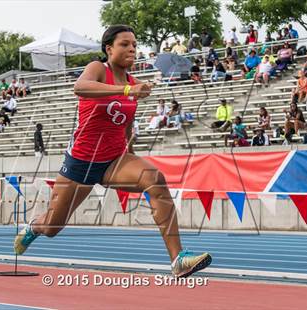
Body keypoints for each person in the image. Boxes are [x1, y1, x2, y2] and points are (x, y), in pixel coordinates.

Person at [13, 25, 212, 278]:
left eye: (134, 45)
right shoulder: (99, 69)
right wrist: (127, 90)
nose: (131, 48)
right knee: (52, 226)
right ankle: (33, 227)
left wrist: (130, 146)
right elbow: (80, 87)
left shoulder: (133, 83)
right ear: (109, 49)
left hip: (114, 160)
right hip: (81, 162)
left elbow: (126, 121)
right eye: (124, 44)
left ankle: (178, 260)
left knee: (155, 179)